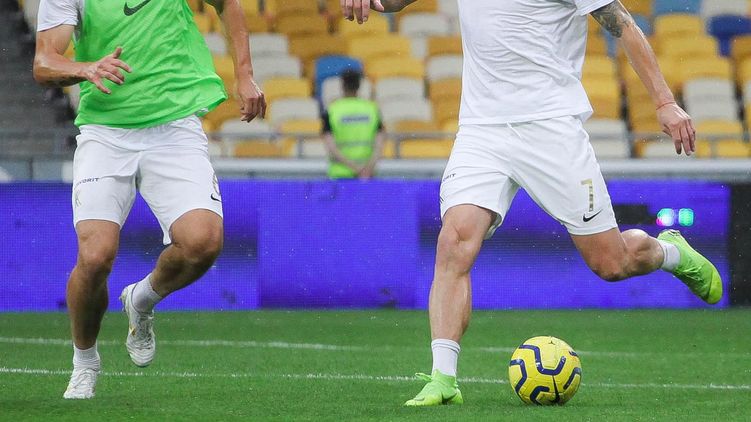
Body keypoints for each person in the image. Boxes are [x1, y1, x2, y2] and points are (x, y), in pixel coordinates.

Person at [342, 0, 722, 406]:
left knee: (612, 263)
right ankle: (443, 378)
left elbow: (623, 24)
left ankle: (670, 252)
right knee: (454, 241)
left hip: (551, 126)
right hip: (482, 129)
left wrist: (664, 102)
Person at [33, 0, 265, 399]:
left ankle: (141, 298)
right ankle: (85, 362)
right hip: (105, 132)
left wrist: (244, 75)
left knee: (203, 242)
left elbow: (227, 4)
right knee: (95, 258)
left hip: (174, 127)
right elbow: (44, 62)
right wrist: (85, 69)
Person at [322, 69, 385, 179]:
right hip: (366, 176)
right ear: (359, 85)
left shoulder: (332, 110)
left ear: (342, 85)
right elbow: (379, 145)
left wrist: (356, 168)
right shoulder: (372, 109)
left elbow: (331, 147)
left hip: (340, 175)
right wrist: (367, 169)